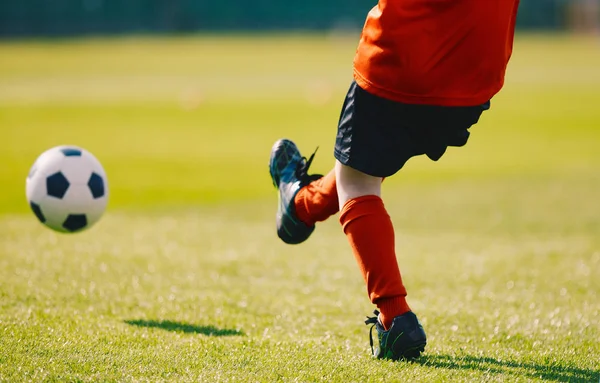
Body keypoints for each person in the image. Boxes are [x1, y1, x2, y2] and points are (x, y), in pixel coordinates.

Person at [269, 0, 521, 361]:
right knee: (365, 161)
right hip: (480, 67)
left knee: (358, 180)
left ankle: (394, 316)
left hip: (405, 55)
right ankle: (300, 206)